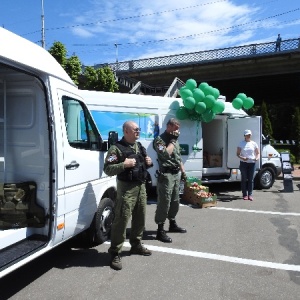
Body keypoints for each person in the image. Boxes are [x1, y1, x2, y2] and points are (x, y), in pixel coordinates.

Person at [104, 120, 153, 270]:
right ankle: (115, 252)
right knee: (122, 220)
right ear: (126, 131)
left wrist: (148, 162)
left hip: (141, 187)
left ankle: (136, 244)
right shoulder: (116, 149)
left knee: (140, 218)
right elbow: (107, 169)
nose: (138, 132)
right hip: (126, 190)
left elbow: (144, 164)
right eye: (135, 130)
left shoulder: (139, 147)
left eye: (139, 130)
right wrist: (123, 165)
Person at [153, 118, 187, 243]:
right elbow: (165, 154)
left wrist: (183, 172)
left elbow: (178, 158)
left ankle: (172, 223)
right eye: (176, 128)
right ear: (169, 126)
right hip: (166, 175)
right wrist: (172, 141)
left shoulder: (175, 140)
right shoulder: (159, 140)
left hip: (176, 173)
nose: (178, 130)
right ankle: (160, 230)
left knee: (175, 200)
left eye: (178, 128)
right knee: (164, 201)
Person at [236, 129, 260, 201]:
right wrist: (242, 158)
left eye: (249, 135)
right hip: (243, 163)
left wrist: (257, 158)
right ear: (244, 136)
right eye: (247, 135)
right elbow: (237, 154)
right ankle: (244, 194)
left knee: (251, 179)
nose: (248, 136)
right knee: (244, 179)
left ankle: (250, 194)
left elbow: (258, 153)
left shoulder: (254, 143)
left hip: (252, 163)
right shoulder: (241, 143)